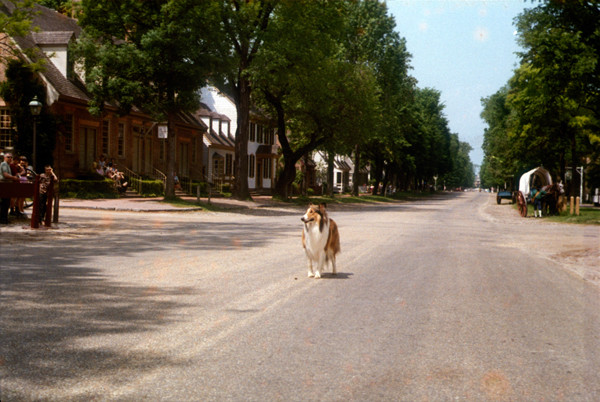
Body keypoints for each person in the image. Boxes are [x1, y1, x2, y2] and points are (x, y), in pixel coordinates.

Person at [1, 153, 20, 224]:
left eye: (11, 157)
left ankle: (4, 218)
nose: (10, 158)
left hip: (7, 184)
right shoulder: (4, 164)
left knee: (6, 202)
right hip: (4, 184)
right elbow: (5, 175)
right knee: (4, 202)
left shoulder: (8, 165)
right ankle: (3, 219)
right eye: (8, 157)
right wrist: (14, 177)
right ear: (4, 158)